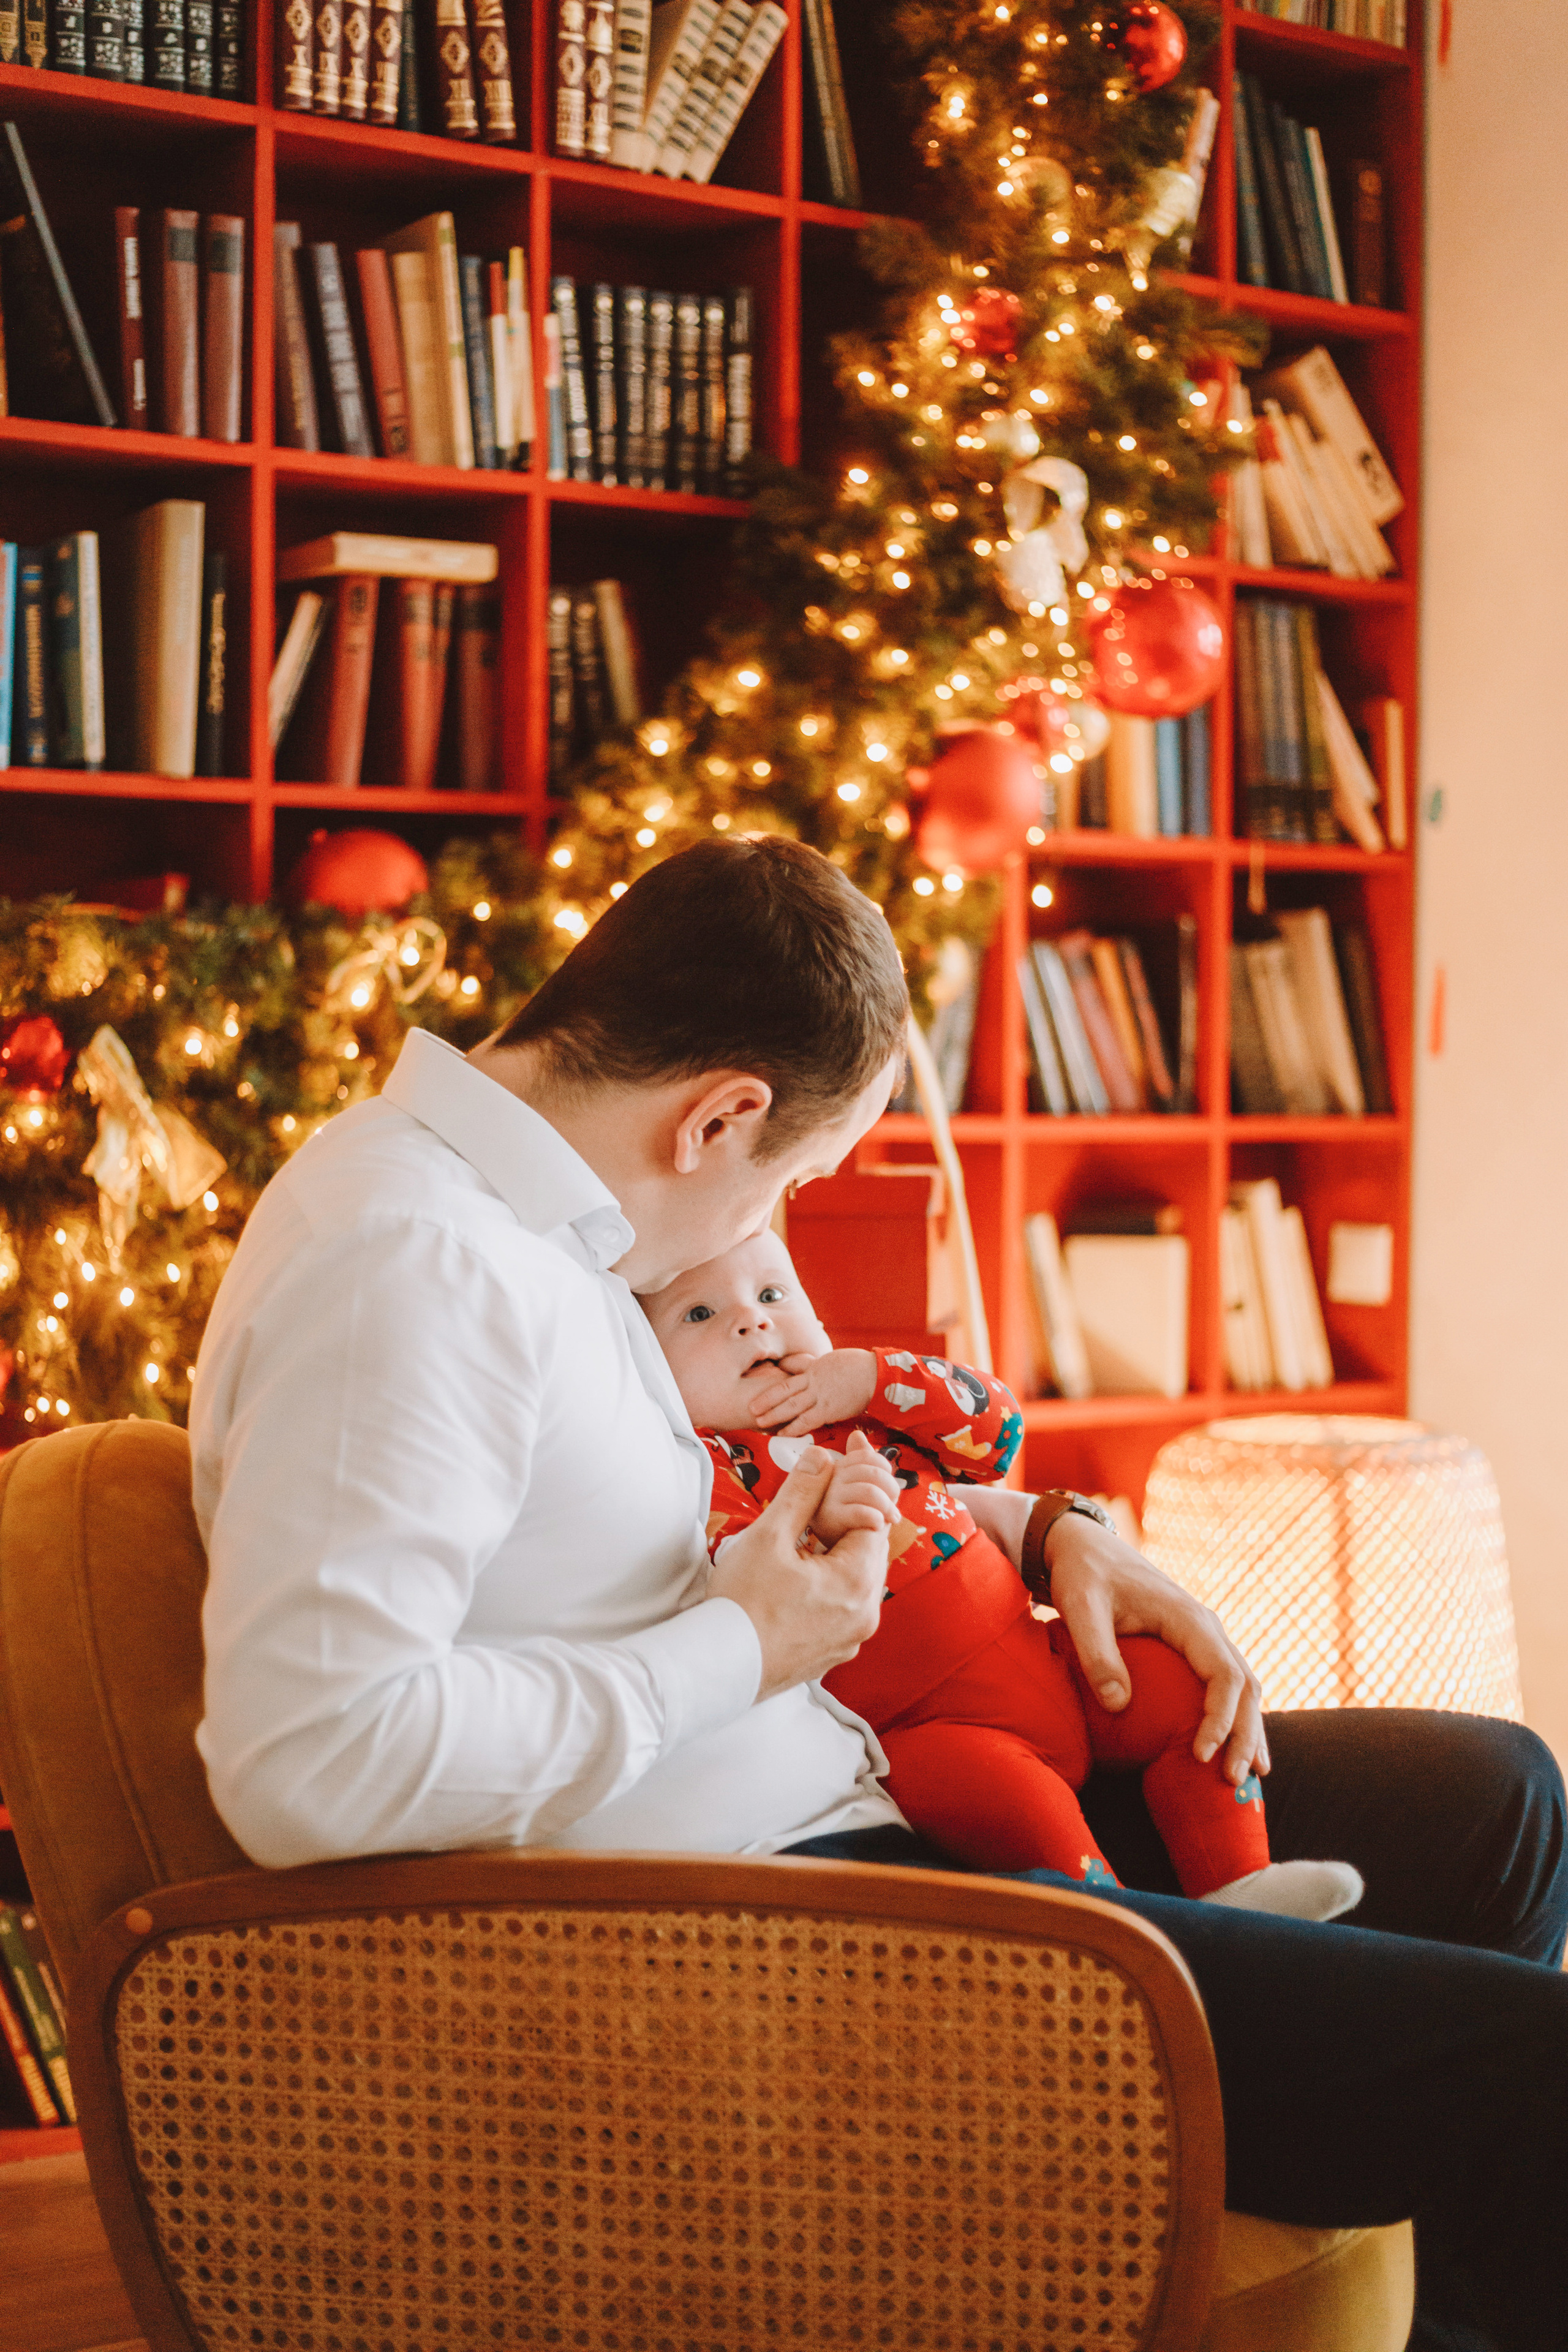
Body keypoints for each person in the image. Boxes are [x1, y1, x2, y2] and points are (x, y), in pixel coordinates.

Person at [190, 837, 1568, 2352]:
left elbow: (688, 1503)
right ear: (719, 1116)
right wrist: (740, 1645)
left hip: (877, 1811)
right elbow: (309, 1758)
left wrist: (1044, 1527)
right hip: (765, 1942)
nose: (768, 1239)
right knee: (1531, 2077)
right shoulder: (414, 1265)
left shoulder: (549, 1227)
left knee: (1487, 1793)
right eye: (790, 1175)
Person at [644, 1224, 1363, 1917]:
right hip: (936, 1731)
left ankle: (1240, 1879)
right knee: (1015, 1806)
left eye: (773, 1294)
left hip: (1044, 1653)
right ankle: (1123, 1925)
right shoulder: (706, 1468)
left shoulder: (869, 1406)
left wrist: (874, 1377)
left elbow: (995, 1433)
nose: (752, 1324)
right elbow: (736, 1578)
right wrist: (818, 1528)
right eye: (700, 1313)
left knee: (1179, 1686)